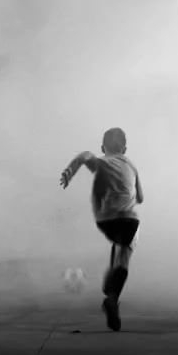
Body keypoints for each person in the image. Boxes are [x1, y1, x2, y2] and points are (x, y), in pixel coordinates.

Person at [59, 127, 144, 332]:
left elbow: (85, 156)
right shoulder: (132, 166)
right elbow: (140, 198)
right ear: (125, 148)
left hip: (105, 221)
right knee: (128, 245)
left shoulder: (101, 162)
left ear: (102, 147)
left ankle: (112, 282)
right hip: (128, 221)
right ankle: (112, 296)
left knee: (121, 240)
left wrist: (70, 171)